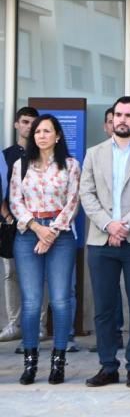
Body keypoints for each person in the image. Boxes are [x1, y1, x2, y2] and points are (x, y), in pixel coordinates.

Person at [79, 97, 130, 389]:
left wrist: (123, 226)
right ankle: (108, 366)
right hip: (101, 240)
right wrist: (108, 224)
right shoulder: (94, 153)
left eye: (129, 115)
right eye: (118, 115)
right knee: (104, 307)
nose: (122, 119)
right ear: (111, 119)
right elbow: (86, 194)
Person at [9, 114, 81, 385]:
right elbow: (15, 201)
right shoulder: (21, 164)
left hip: (60, 235)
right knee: (30, 302)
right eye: (38, 131)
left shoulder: (71, 165)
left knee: (61, 300)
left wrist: (51, 233)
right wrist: (38, 229)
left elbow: (74, 201)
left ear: (58, 136)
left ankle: (58, 361)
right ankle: (30, 363)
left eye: (47, 131)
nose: (41, 135)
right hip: (28, 234)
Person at [1, 107, 38, 344]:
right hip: (10, 224)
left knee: (40, 274)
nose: (29, 127)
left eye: (33, 123)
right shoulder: (6, 155)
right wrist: (6, 216)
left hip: (37, 224)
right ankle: (14, 324)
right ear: (16, 124)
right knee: (10, 274)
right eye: (25, 122)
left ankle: (40, 326)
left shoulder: (43, 152)